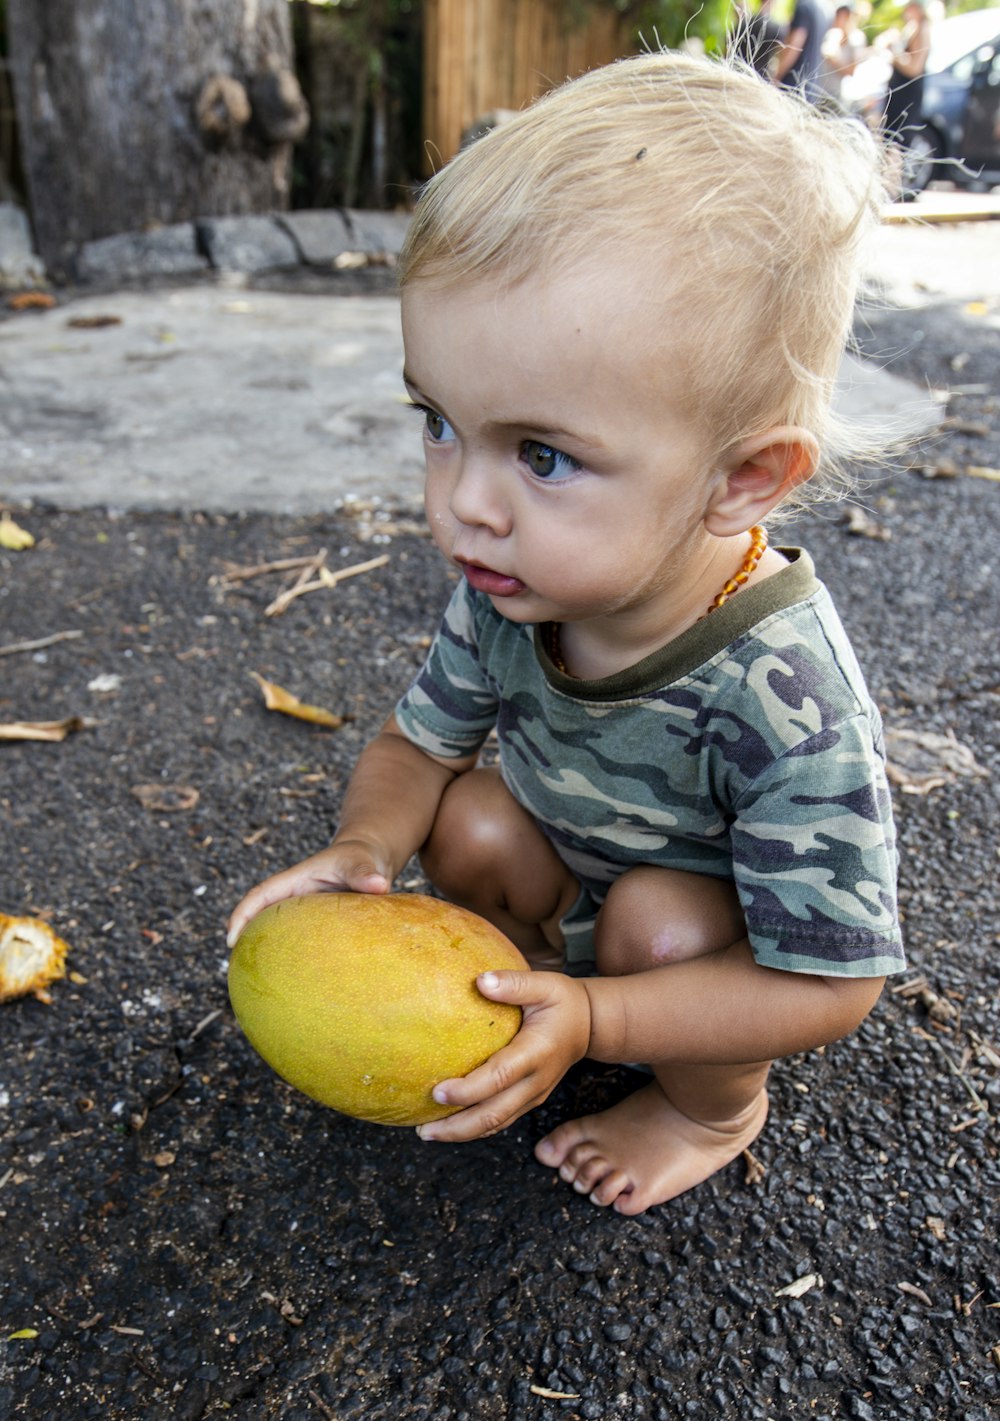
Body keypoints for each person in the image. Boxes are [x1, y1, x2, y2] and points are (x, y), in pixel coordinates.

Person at [228, 52, 905, 1216]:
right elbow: (416, 749)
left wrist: (607, 1019)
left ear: (742, 478)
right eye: (439, 421)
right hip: (569, 887)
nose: (461, 505)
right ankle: (526, 990)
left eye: (541, 454)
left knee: (657, 920)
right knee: (472, 810)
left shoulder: (783, 691)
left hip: (698, 955)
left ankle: (704, 1109)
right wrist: (363, 850)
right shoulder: (512, 585)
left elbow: (830, 984)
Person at [881, 0, 932, 147]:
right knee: (890, 140)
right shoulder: (912, 28)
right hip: (899, 94)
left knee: (897, 144)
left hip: (907, 96)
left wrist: (895, 54)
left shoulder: (923, 29)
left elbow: (914, 68)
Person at [773, 0, 830, 101]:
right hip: (812, 86)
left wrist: (777, 76)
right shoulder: (824, 9)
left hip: (793, 84)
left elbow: (794, 45)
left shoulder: (804, 6)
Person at [819, 2, 869, 104]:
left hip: (838, 95)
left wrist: (834, 59)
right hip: (821, 89)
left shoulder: (856, 39)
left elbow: (851, 71)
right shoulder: (833, 34)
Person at [729, 0, 783, 78]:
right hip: (759, 80)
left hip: (736, 75)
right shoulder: (777, 29)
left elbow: (728, 51)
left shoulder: (743, 24)